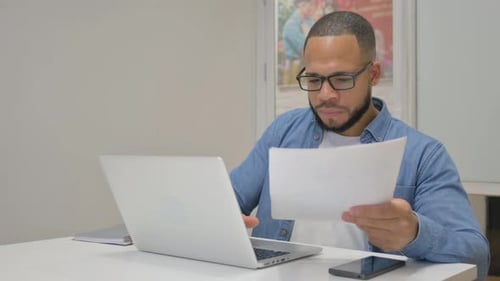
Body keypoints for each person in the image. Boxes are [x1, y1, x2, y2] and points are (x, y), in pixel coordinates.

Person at [230, 11, 490, 280]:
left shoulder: (423, 155)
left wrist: (414, 233)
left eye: (342, 79)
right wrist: (221, 222)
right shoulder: (284, 131)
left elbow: (476, 256)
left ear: (374, 74)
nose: (325, 95)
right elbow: (229, 200)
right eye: (314, 80)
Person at [282, 0, 316, 85]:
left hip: (308, 65)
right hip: (295, 67)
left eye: (310, 4)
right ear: (299, 5)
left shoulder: (310, 21)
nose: (310, 7)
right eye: (307, 5)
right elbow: (303, 48)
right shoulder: (291, 24)